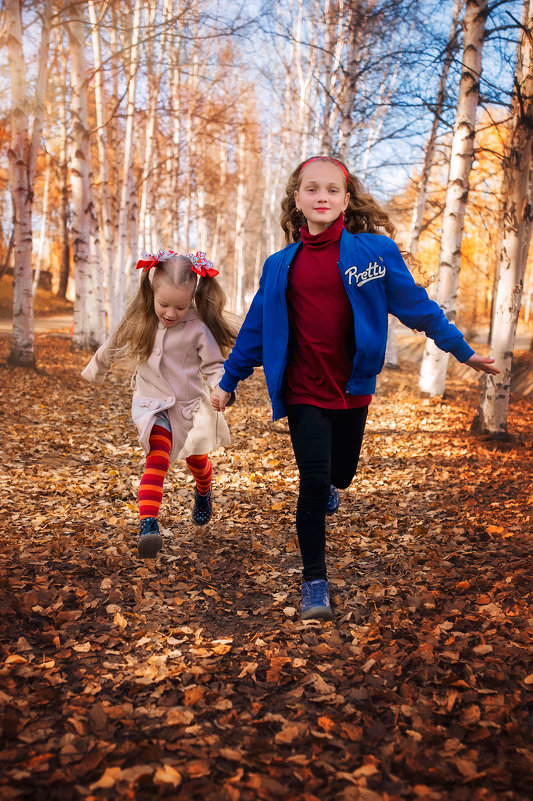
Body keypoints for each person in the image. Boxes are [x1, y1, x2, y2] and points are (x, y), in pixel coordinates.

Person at [211, 155, 499, 621]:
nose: (321, 196)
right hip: (302, 389)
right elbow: (255, 331)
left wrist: (461, 350)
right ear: (297, 200)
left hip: (353, 387)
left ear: (346, 200)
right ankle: (315, 583)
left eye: (331, 189)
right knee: (311, 483)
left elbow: (417, 308)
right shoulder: (280, 265)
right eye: (311, 189)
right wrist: (228, 381)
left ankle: (332, 487)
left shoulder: (374, 253)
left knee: (340, 475)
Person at [82, 250, 236, 558]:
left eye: (180, 306)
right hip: (152, 403)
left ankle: (203, 490)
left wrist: (223, 388)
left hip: (189, 407)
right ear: (152, 291)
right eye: (164, 303)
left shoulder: (197, 327)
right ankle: (148, 524)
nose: (170, 312)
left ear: (192, 296)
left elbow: (214, 365)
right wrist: (95, 370)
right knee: (158, 455)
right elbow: (113, 341)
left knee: (197, 460)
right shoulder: (140, 317)